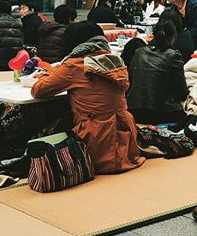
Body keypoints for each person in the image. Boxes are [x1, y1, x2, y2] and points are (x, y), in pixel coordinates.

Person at [31, 21, 144, 174]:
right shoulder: (114, 60)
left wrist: (45, 75)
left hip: (95, 137)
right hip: (126, 135)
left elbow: (38, 90)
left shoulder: (74, 65)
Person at [126, 21, 189, 125]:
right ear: (173, 37)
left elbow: (131, 82)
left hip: (133, 110)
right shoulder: (173, 55)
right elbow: (182, 93)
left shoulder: (138, 52)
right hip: (160, 112)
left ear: (153, 35)